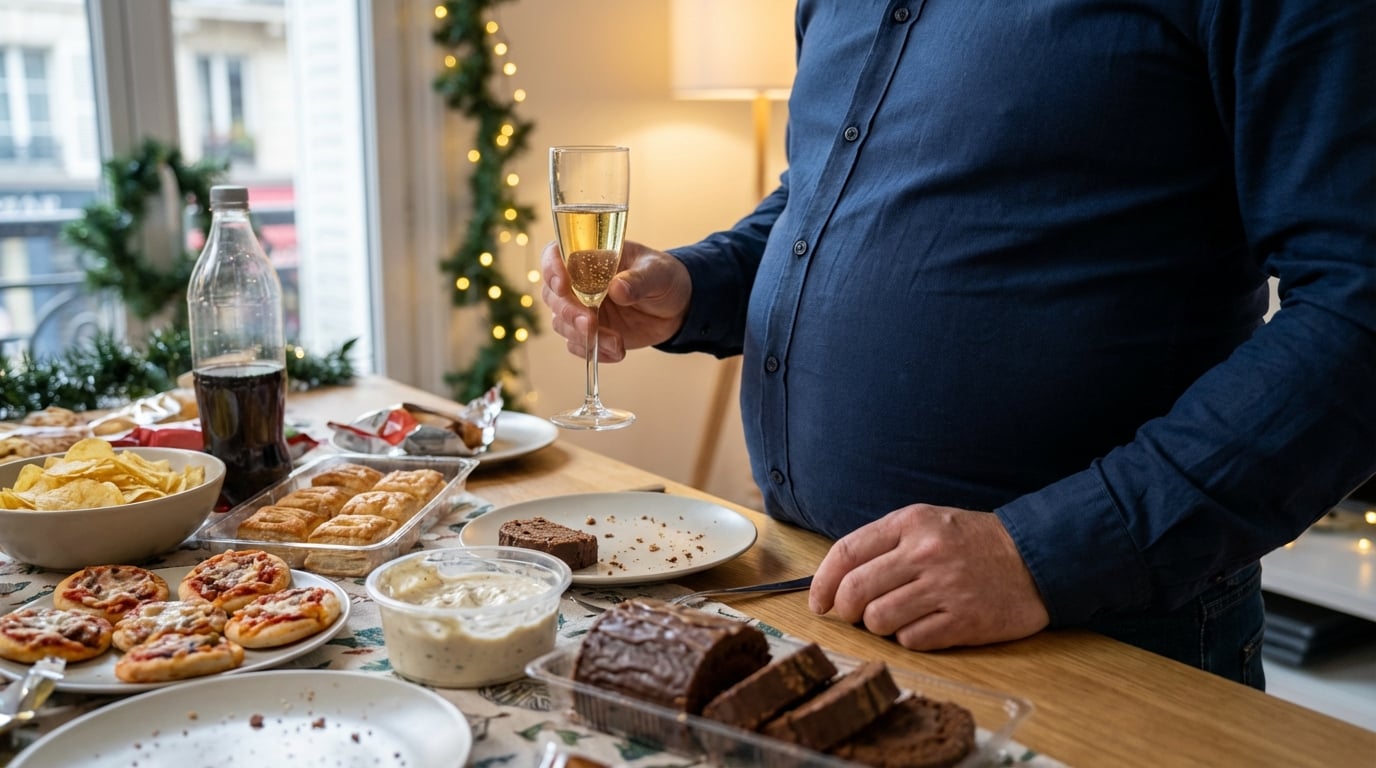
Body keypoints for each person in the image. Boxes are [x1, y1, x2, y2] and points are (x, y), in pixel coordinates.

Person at [540, 1, 1375, 688]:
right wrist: (697, 288)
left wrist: (1046, 553)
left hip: (1101, 634)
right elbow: (821, 200)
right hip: (816, 593)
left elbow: (1358, 305)